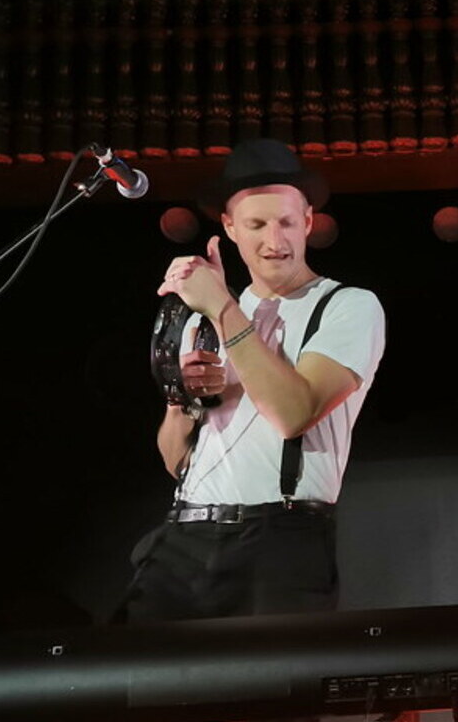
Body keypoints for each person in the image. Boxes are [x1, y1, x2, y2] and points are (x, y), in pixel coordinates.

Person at [122, 138, 386, 623]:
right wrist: (184, 400)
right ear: (229, 228)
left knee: (272, 689)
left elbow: (293, 414)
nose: (274, 241)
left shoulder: (349, 305)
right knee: (132, 681)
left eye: (286, 222)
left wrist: (221, 305)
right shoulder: (210, 318)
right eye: (256, 225)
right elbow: (176, 460)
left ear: (308, 221)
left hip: (279, 537)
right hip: (186, 533)